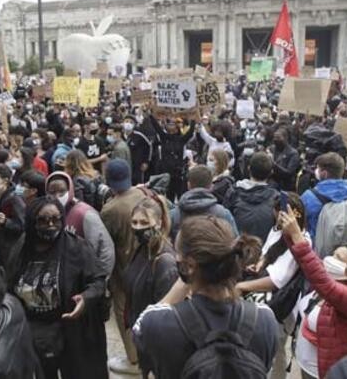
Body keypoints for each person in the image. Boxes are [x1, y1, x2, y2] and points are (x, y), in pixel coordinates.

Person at [132, 215, 278, 379]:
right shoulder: (266, 319)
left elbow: (139, 329)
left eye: (177, 255)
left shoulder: (157, 323)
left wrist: (184, 280)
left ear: (189, 265)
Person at [6, 198, 107, 379]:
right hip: (32, 330)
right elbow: (9, 284)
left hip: (70, 329)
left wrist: (86, 298)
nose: (50, 225)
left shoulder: (77, 247)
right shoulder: (21, 248)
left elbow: (98, 281)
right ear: (32, 222)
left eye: (56, 219)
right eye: (43, 220)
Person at [279, 205, 347, 379]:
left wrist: (297, 235)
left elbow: (325, 285)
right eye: (333, 254)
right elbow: (306, 260)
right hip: (307, 364)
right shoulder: (330, 278)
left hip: (326, 371)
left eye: (338, 258)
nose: (330, 259)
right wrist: (290, 234)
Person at [100, 159, 147, 375]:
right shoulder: (145, 195)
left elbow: (105, 244)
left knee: (124, 312)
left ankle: (133, 359)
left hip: (124, 269)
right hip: (148, 263)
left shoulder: (110, 209)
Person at [123, 197, 178, 376]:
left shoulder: (164, 261)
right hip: (142, 335)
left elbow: (166, 311)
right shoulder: (141, 249)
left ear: (159, 223)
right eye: (135, 222)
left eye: (144, 222)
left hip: (157, 342)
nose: (138, 227)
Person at [44, 171, 115, 283]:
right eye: (52, 192)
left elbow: (105, 249)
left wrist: (101, 281)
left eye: (62, 191)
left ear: (70, 190)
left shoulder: (84, 214)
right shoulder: (47, 214)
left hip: (84, 280)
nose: (57, 197)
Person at [301, 152, 347, 240]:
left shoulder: (309, 197)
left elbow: (302, 225)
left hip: (318, 249)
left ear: (324, 174)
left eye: (318, 169)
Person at [172, 165, 238, 240]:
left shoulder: (174, 215)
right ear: (211, 186)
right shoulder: (223, 214)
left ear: (188, 185)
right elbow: (235, 242)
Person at [223, 151, 278, 241]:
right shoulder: (276, 198)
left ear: (249, 168)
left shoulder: (233, 192)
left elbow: (224, 222)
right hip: (264, 251)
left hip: (238, 248)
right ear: (270, 173)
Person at [150, 115, 195, 201]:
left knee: (180, 196)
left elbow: (191, 132)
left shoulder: (181, 139)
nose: (171, 126)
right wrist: (151, 115)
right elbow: (156, 127)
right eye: (169, 124)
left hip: (178, 174)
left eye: (173, 124)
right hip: (166, 173)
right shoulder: (164, 137)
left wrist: (193, 118)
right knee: (168, 197)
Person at [124, 114, 152, 185]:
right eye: (126, 121)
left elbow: (149, 146)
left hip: (137, 167)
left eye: (131, 122)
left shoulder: (139, 136)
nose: (128, 124)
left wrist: (146, 162)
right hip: (124, 166)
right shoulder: (119, 135)